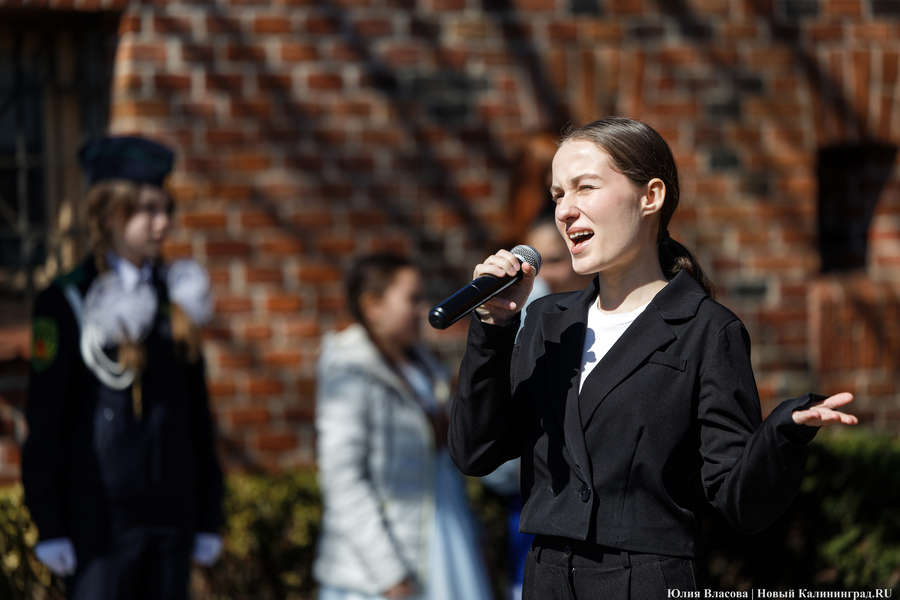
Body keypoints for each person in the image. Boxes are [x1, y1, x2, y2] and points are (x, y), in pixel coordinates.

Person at [448, 117, 857, 599]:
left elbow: (738, 501)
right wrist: (493, 329)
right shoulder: (545, 321)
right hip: (547, 579)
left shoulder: (706, 329)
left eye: (585, 187)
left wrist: (784, 432)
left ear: (651, 196)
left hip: (647, 584)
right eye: (558, 194)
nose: (566, 211)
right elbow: (475, 453)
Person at [22, 136, 224, 600]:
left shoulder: (176, 295)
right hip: (101, 520)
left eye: (166, 208)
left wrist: (208, 515)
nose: (163, 223)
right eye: (147, 210)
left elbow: (196, 414)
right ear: (111, 213)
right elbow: (47, 421)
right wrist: (49, 522)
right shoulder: (69, 299)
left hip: (172, 516)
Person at [314, 253, 493, 600]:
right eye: (412, 298)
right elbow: (343, 479)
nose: (422, 308)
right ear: (373, 305)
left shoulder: (424, 366)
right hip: (377, 571)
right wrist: (388, 573)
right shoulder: (348, 370)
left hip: (444, 542)